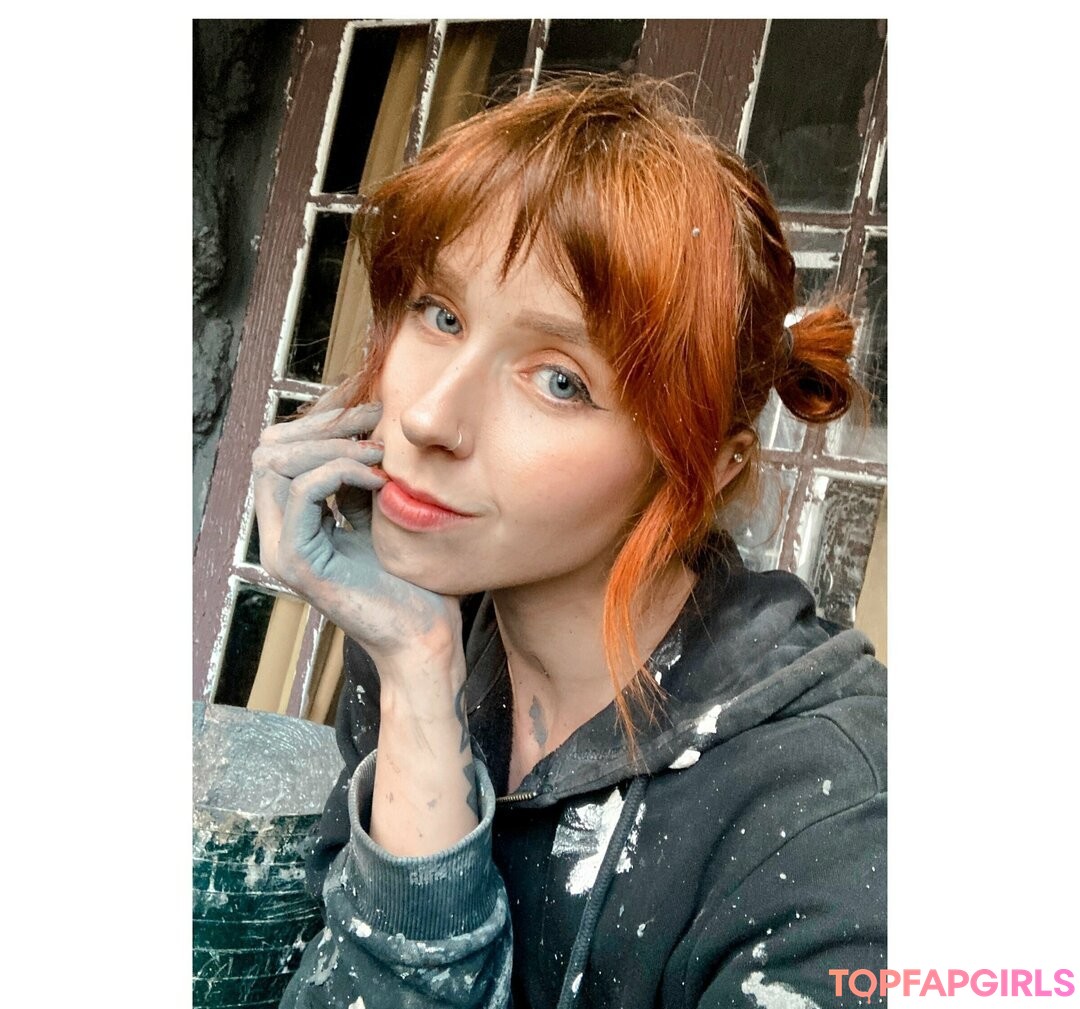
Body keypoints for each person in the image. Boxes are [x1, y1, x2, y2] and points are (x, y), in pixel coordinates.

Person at [254, 75, 886, 1009]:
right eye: (440, 314)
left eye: (559, 380)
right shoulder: (422, 623)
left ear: (706, 469)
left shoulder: (832, 824)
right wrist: (418, 680)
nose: (427, 417)